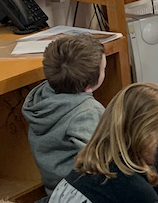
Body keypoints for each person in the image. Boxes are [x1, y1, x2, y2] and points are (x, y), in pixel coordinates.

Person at [22, 35, 107, 194]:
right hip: (82, 195)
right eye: (104, 69)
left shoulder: (41, 97)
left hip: (55, 190)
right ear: (89, 85)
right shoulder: (88, 112)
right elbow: (102, 162)